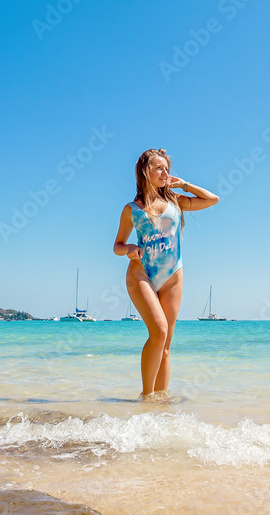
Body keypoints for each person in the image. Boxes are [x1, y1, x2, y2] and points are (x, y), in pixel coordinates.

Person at [112, 148, 219, 398]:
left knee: (166, 347)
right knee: (158, 331)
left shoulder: (175, 201)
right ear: (145, 171)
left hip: (173, 275)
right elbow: (117, 245)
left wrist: (184, 184)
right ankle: (146, 398)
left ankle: (159, 405)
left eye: (167, 169)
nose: (165, 173)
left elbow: (211, 199)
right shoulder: (132, 209)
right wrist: (128, 249)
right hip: (141, 274)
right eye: (159, 168)